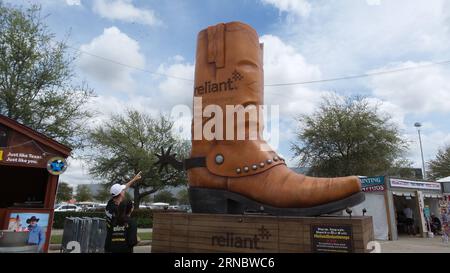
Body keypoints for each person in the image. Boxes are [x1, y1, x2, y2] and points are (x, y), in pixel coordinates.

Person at [104, 172, 142, 253]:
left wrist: (134, 179)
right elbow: (125, 224)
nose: (124, 191)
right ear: (121, 193)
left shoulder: (110, 204)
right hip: (119, 245)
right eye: (123, 191)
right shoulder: (118, 210)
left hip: (109, 244)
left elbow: (124, 187)